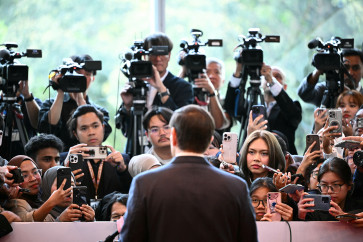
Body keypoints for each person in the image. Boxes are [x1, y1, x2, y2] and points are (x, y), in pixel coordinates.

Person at [121, 105, 258, 242]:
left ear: (173, 137)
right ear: (210, 140)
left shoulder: (144, 184)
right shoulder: (236, 187)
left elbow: (131, 238)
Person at [117, 32, 193, 157]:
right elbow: (126, 131)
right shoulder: (136, 84)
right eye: (153, 53)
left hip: (169, 155)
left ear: (169, 55)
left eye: (162, 53)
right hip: (136, 154)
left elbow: (182, 124)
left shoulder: (182, 87)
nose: (158, 59)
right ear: (145, 56)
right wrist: (127, 106)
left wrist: (161, 88)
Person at [224, 62, 301, 155]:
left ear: (284, 87)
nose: (272, 77)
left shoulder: (291, 106)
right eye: (268, 76)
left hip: (282, 158)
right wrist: (238, 71)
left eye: (277, 76)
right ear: (261, 83)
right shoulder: (250, 107)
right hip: (252, 158)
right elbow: (230, 105)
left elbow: (293, 115)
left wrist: (271, 81)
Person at [38, 54, 111, 151]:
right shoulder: (50, 104)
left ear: (93, 78)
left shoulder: (100, 111)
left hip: (90, 158)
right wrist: (61, 90)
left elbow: (103, 135)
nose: (82, 78)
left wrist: (80, 101)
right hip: (60, 158)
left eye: (87, 74)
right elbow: (47, 129)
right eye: (78, 74)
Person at [65, 105, 132, 200]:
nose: (91, 132)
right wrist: (65, 171)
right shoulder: (66, 160)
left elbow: (132, 195)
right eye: (84, 128)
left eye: (95, 126)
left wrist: (122, 169)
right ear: (75, 134)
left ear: (103, 128)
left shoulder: (122, 159)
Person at [5, 156, 75, 222]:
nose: (33, 178)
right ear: (12, 181)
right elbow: (26, 225)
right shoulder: (15, 204)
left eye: (35, 172)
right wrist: (52, 202)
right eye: (25, 176)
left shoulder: (40, 199)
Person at [298, 157, 363, 221]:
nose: (329, 191)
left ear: (349, 185)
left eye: (336, 185)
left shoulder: (359, 208)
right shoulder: (312, 210)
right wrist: (301, 217)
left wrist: (346, 217)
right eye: (324, 185)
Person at [298, 48, 363, 107]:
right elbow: (304, 94)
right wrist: (317, 72)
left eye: (356, 68)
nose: (350, 72)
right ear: (338, 68)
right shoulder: (327, 89)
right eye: (345, 67)